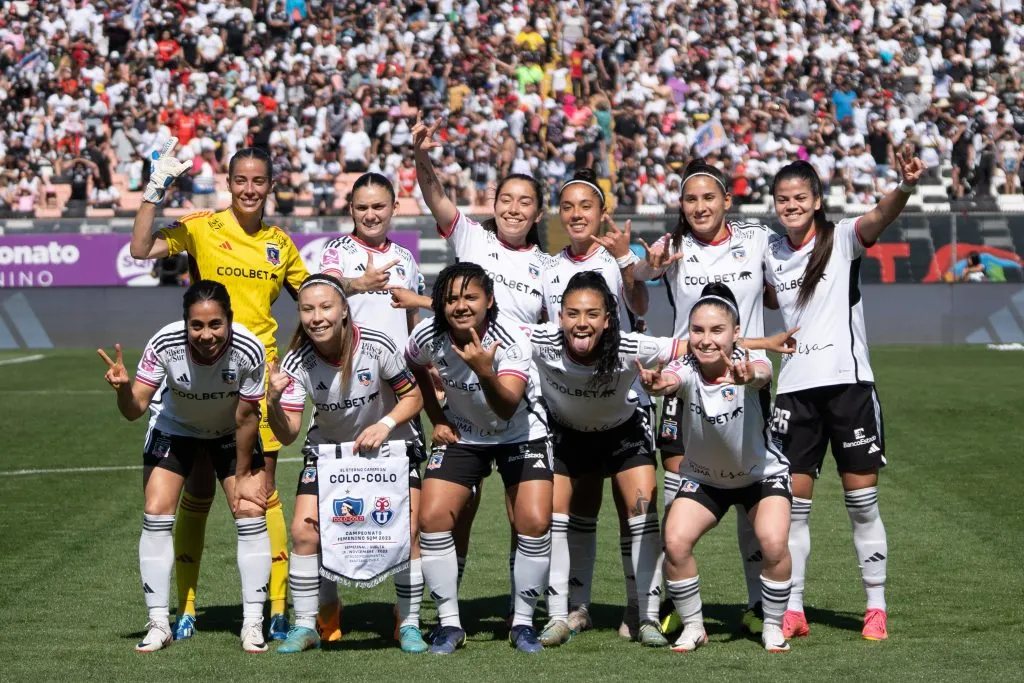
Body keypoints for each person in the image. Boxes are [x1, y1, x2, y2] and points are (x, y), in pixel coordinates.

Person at [130, 140, 309, 642]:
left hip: (257, 384)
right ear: (229, 183)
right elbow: (140, 249)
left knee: (260, 494)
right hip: (205, 376)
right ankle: (185, 607)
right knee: (199, 493)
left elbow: (314, 300)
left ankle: (274, 607)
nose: (250, 189)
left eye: (259, 181)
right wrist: (155, 190)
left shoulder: (281, 243)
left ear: (271, 186)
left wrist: (352, 289)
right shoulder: (203, 226)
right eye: (241, 180)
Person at [764, 155, 926, 642]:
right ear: (775, 205)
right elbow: (766, 294)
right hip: (794, 391)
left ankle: (875, 605)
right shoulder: (771, 251)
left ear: (816, 201)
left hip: (848, 386)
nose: (791, 206)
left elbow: (881, 215)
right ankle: (792, 608)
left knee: (862, 505)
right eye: (783, 199)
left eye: (799, 198)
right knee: (792, 508)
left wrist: (904, 185)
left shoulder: (842, 238)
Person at [411, 111, 553, 612]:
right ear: (494, 205)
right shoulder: (472, 239)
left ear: (538, 214)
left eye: (525, 203)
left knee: (528, 518)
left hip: (521, 401)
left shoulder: (549, 269)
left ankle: (523, 611)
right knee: (454, 512)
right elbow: (434, 195)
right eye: (506, 200)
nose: (514, 209)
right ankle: (448, 605)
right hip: (466, 404)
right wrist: (421, 155)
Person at [632, 158, 778, 635]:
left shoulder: (755, 239)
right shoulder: (671, 247)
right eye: (691, 199)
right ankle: (678, 601)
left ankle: (759, 602)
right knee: (680, 486)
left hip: (746, 379)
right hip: (684, 378)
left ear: (726, 201)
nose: (700, 206)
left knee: (747, 486)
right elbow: (638, 276)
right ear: (681, 204)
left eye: (708, 197)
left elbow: (781, 285)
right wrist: (641, 266)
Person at [97, 280, 271, 653]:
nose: (206, 335)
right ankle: (159, 622)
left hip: (228, 430)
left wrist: (241, 477)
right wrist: (124, 390)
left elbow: (246, 417)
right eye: (197, 325)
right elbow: (134, 411)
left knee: (250, 511)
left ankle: (253, 623)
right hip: (175, 429)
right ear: (185, 323)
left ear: (229, 320)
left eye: (215, 324)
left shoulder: (249, 349)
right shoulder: (165, 343)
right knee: (156, 511)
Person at [264, 274, 427, 654]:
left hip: (391, 448)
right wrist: (271, 401)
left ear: (343, 312)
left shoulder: (375, 345)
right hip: (330, 454)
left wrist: (384, 425)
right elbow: (287, 433)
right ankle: (308, 624)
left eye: (325, 307)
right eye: (307, 309)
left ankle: (409, 623)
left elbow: (414, 399)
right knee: (304, 534)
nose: (316, 317)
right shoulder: (296, 362)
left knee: (409, 532)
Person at [527, 272, 682, 648]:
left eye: (593, 314)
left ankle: (643, 614)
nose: (582, 323)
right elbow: (481, 323)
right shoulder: (538, 339)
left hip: (622, 432)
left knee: (641, 512)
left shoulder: (631, 346)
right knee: (558, 515)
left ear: (608, 319)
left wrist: (759, 345)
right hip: (567, 434)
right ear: (559, 316)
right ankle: (564, 614)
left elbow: (692, 345)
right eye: (573, 314)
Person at [405, 263, 552, 655]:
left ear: (489, 300)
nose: (460, 306)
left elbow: (506, 409)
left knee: (534, 521)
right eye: (451, 298)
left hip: (520, 433)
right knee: (432, 517)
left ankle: (522, 623)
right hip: (464, 435)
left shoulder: (512, 339)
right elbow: (415, 363)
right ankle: (449, 625)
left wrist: (485, 372)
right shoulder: (428, 333)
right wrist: (437, 418)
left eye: (470, 297)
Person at [638, 284, 793, 654]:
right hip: (704, 480)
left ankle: (772, 625)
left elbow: (761, 374)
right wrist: (660, 385)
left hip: (762, 477)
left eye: (716, 330)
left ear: (735, 333)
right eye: (698, 330)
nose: (706, 340)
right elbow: (672, 380)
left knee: (773, 543)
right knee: (675, 542)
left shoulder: (751, 362)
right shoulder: (684, 366)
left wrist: (745, 379)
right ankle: (693, 626)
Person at [313, 172, 428, 643]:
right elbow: (322, 291)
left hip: (399, 392)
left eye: (379, 206)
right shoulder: (337, 251)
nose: (371, 214)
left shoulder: (405, 258)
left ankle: (408, 620)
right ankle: (326, 610)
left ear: (394, 207)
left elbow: (412, 317)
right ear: (351, 210)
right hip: (347, 391)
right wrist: (357, 283)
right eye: (362, 207)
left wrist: (426, 362)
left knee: (406, 515)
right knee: (327, 512)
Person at [540, 168, 654, 641]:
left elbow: (642, 305)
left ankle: (639, 610)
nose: (576, 214)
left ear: (601, 212)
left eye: (585, 206)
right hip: (570, 407)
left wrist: (627, 259)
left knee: (638, 509)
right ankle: (574, 607)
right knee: (575, 511)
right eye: (568, 207)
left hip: (625, 401)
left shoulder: (621, 256)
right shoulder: (547, 269)